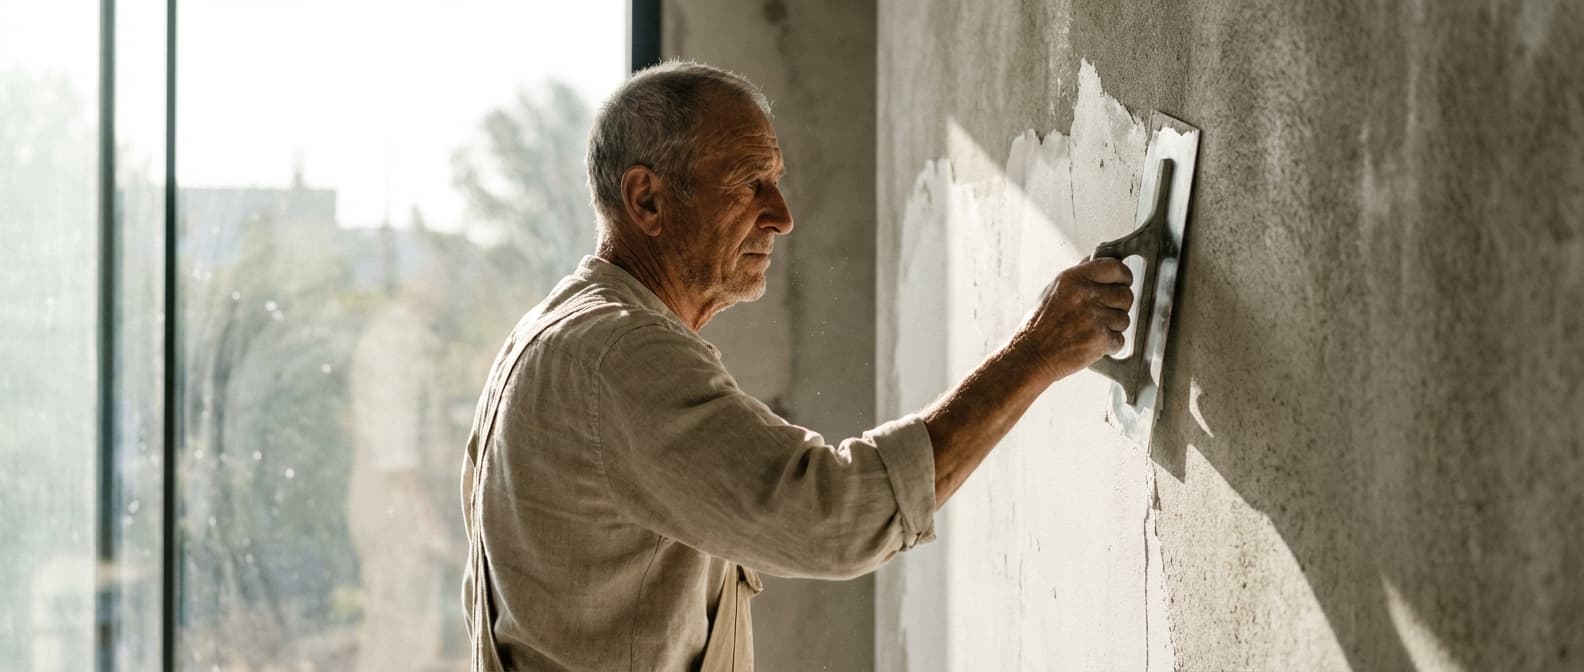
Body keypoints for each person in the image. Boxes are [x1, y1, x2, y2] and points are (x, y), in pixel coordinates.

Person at [460, 61, 1134, 671]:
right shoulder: (617, 355)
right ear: (647, 202)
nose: (781, 216)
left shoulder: (560, 332)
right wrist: (1038, 352)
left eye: (775, 182)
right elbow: (831, 516)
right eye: (749, 184)